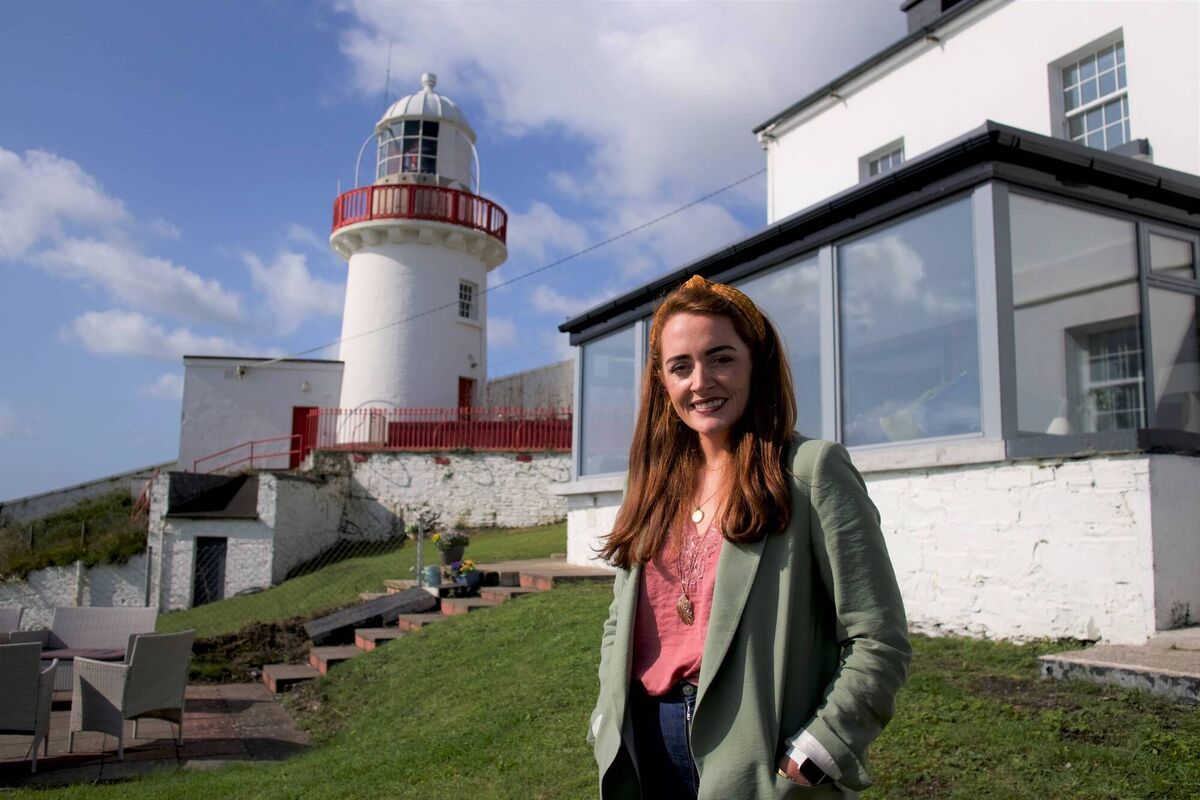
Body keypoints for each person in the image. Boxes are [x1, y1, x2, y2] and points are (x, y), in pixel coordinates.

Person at [586, 275, 910, 799]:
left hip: (757, 756)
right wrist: (607, 715)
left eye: (721, 358)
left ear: (755, 364)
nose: (701, 382)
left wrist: (818, 750)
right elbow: (618, 620)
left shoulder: (810, 472)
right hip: (645, 743)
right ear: (661, 383)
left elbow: (879, 637)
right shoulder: (649, 485)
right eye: (681, 366)